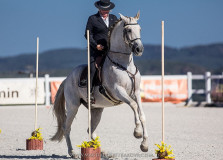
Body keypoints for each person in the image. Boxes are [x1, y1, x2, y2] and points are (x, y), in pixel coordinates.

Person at [85, 0, 118, 102]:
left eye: (107, 9)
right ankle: (89, 93)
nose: (106, 11)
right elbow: (87, 35)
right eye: (104, 10)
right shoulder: (93, 19)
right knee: (93, 69)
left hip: (110, 50)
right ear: (99, 9)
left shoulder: (114, 18)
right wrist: (96, 45)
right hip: (96, 51)